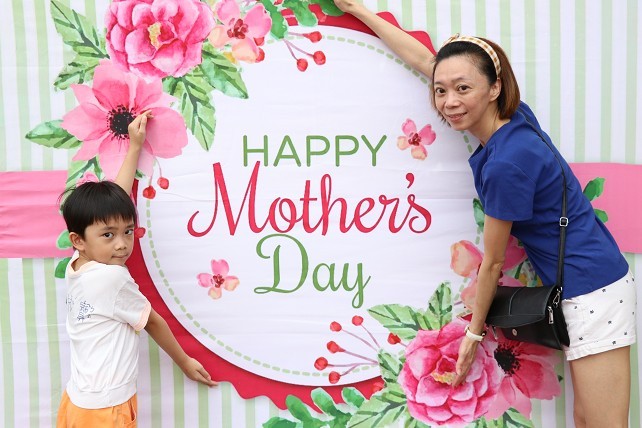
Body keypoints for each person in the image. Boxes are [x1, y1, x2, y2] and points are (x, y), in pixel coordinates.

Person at [334, 1, 637, 427]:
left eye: (463, 89)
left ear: (494, 88)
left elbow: (492, 263)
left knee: (604, 423)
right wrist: (357, 11)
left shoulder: (506, 163)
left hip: (592, 289)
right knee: (587, 419)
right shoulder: (515, 119)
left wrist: (473, 335)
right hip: (584, 283)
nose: (449, 101)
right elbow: (425, 60)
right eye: (441, 91)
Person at [56, 111, 217, 427]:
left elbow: (113, 209)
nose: (122, 244)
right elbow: (153, 322)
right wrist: (184, 362)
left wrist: (134, 146)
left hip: (78, 402)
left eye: (128, 231)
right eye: (109, 236)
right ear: (78, 240)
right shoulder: (111, 277)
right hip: (106, 411)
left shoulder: (80, 264)